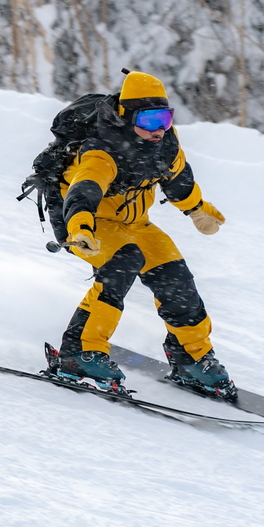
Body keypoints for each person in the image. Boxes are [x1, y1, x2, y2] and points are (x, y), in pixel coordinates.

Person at [53, 70, 236, 399]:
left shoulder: (164, 144)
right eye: (149, 120)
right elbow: (85, 188)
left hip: (135, 223)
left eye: (164, 118)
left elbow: (178, 180)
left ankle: (191, 358)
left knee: (175, 276)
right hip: (87, 221)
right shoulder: (102, 148)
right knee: (123, 263)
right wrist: (80, 226)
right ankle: (79, 354)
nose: (158, 129)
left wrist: (197, 209)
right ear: (126, 116)